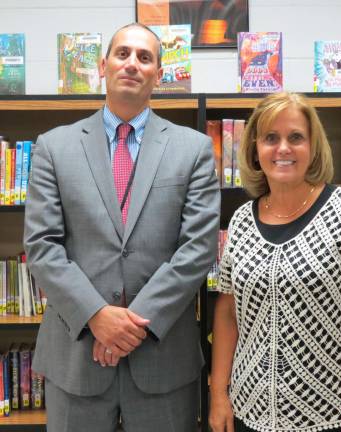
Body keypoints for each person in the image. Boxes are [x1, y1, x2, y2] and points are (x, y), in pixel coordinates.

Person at [24, 23, 220, 432]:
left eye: (145, 57)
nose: (132, 63)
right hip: (75, 359)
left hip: (163, 362)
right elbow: (42, 246)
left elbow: (197, 251)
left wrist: (128, 326)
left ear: (159, 76)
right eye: (123, 54)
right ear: (103, 66)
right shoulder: (53, 147)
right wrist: (97, 316)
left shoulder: (194, 149)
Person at [209, 92, 341, 432]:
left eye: (295, 137)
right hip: (250, 413)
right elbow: (226, 313)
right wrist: (219, 394)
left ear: (313, 146)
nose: (283, 149)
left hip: (332, 414)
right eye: (270, 138)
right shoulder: (240, 221)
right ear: (254, 149)